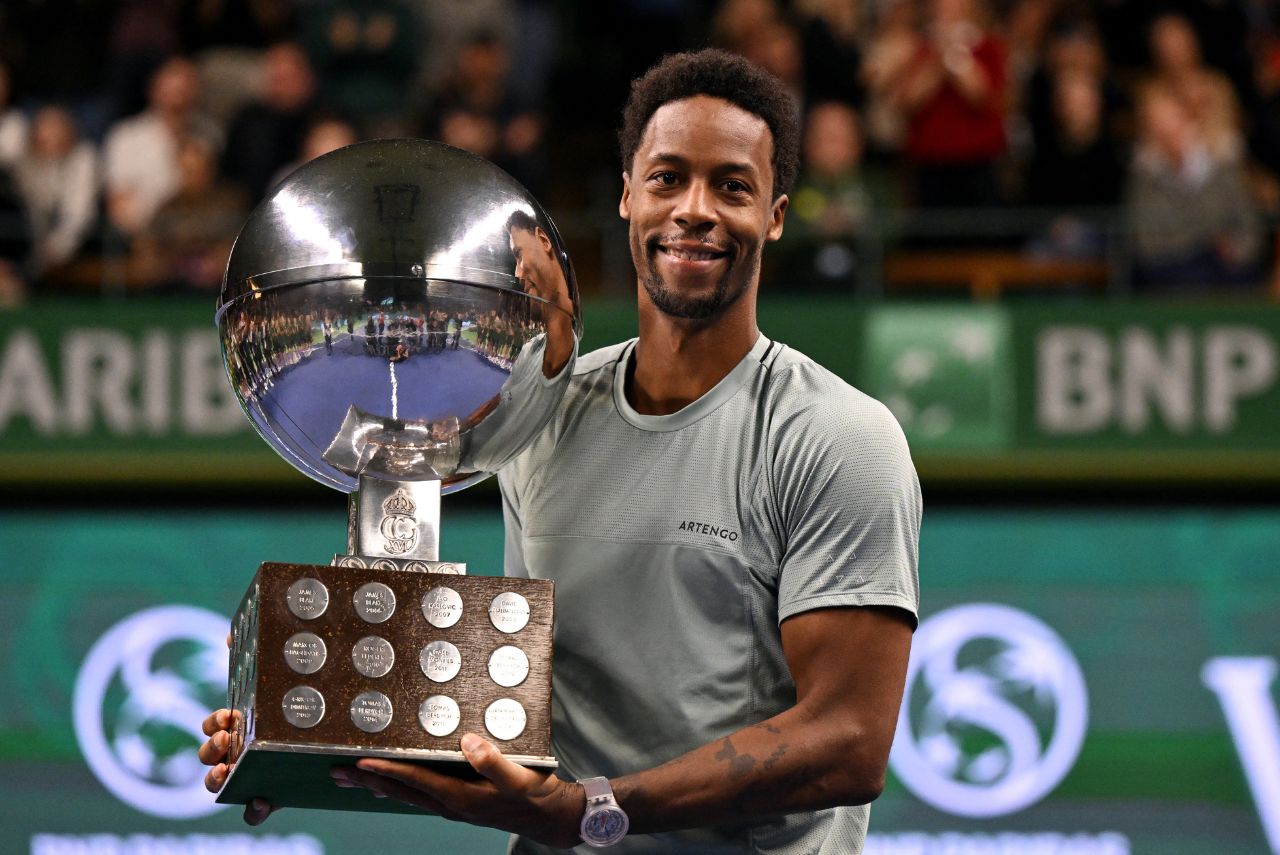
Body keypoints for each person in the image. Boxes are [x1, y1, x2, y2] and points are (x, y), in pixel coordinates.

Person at [200, 49, 920, 854]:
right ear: (625, 196)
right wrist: (309, 721)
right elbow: (527, 728)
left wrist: (592, 809)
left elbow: (850, 742)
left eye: (733, 186)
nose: (694, 209)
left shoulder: (835, 436)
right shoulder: (540, 411)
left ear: (776, 215)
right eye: (668, 177)